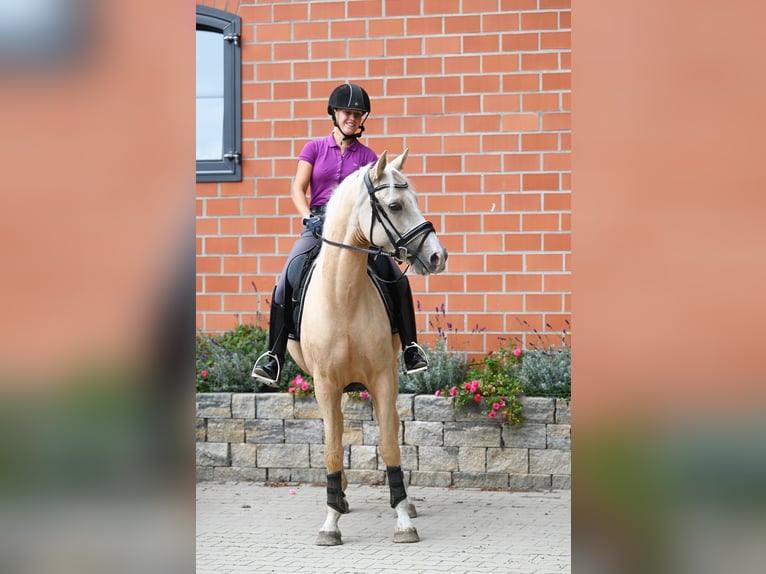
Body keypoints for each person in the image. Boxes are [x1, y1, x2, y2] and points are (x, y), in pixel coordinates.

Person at [252, 82, 429, 387]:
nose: (353, 118)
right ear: (334, 114)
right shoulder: (314, 148)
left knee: (397, 278)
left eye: (358, 114)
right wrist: (308, 219)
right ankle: (274, 356)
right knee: (287, 277)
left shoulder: (369, 156)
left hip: (357, 231)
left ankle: (411, 348)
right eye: (347, 112)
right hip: (317, 223)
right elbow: (298, 189)